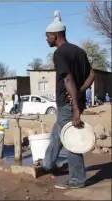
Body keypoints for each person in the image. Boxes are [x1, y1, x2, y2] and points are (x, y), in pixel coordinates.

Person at [42, 10, 95, 190]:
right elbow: (91, 75)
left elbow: (68, 79)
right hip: (74, 101)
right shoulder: (79, 51)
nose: (46, 39)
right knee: (57, 134)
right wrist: (81, 92)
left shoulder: (60, 53)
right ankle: (47, 165)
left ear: (55, 36)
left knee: (71, 139)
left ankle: (77, 180)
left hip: (68, 104)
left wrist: (75, 109)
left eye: (47, 36)